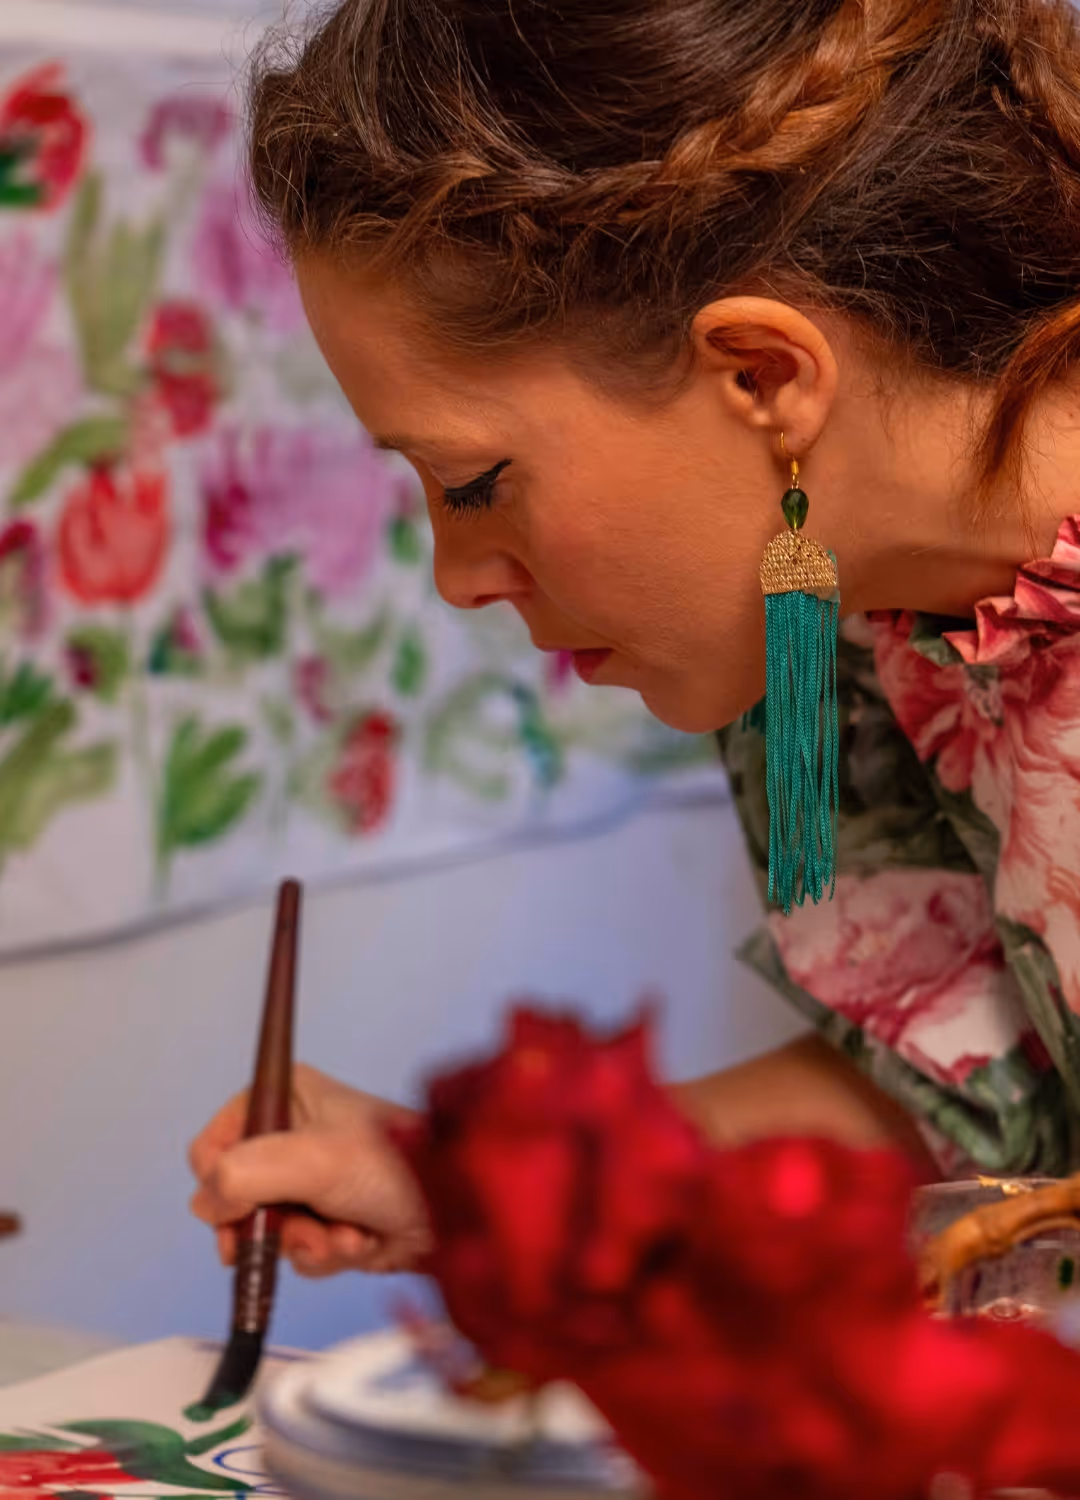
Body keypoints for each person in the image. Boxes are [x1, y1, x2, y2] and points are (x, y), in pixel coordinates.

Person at [190, 0, 1080, 1279]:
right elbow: (980, 1104)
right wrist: (476, 1188)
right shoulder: (816, 617)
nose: (459, 578)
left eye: (477, 481)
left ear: (764, 379)